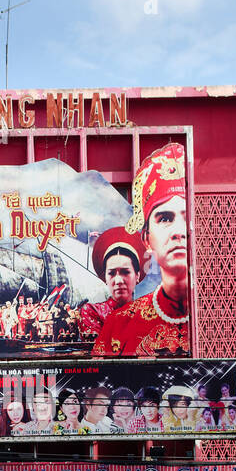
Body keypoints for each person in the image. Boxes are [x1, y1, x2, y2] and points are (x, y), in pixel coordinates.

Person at [92, 143, 190, 357]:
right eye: (165, 218)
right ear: (147, 238)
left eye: (188, 216)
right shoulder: (118, 326)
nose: (178, 232)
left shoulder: (230, 315)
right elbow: (96, 389)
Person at [80, 227, 145, 338]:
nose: (118, 281)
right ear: (104, 277)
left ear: (137, 275)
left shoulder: (149, 313)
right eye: (111, 273)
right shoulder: (92, 311)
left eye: (125, 272)